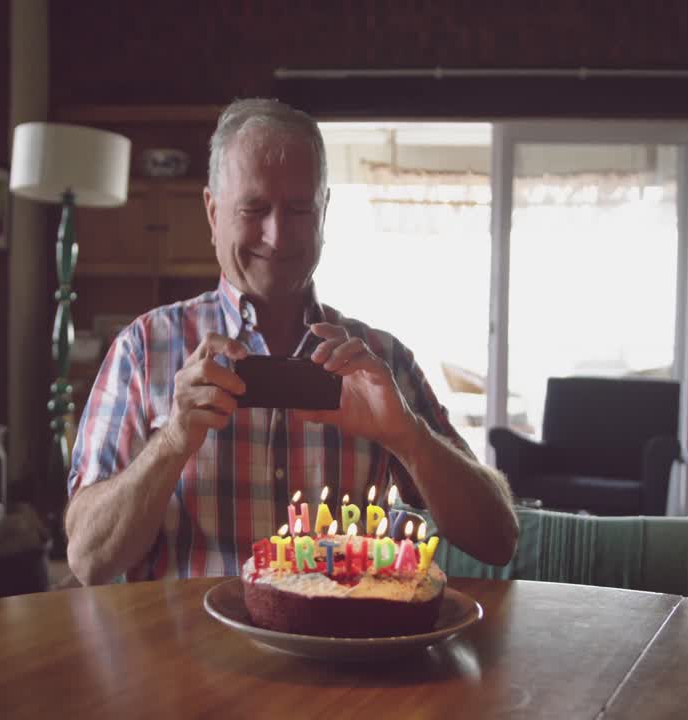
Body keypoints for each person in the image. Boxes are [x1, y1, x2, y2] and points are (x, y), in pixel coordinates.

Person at [64, 98, 518, 585]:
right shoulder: (142, 349)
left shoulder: (381, 362)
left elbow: (497, 540)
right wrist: (172, 443)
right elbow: (89, 560)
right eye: (254, 209)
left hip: (343, 655)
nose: (278, 237)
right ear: (213, 213)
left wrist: (408, 438)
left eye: (300, 209)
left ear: (325, 211)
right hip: (183, 657)